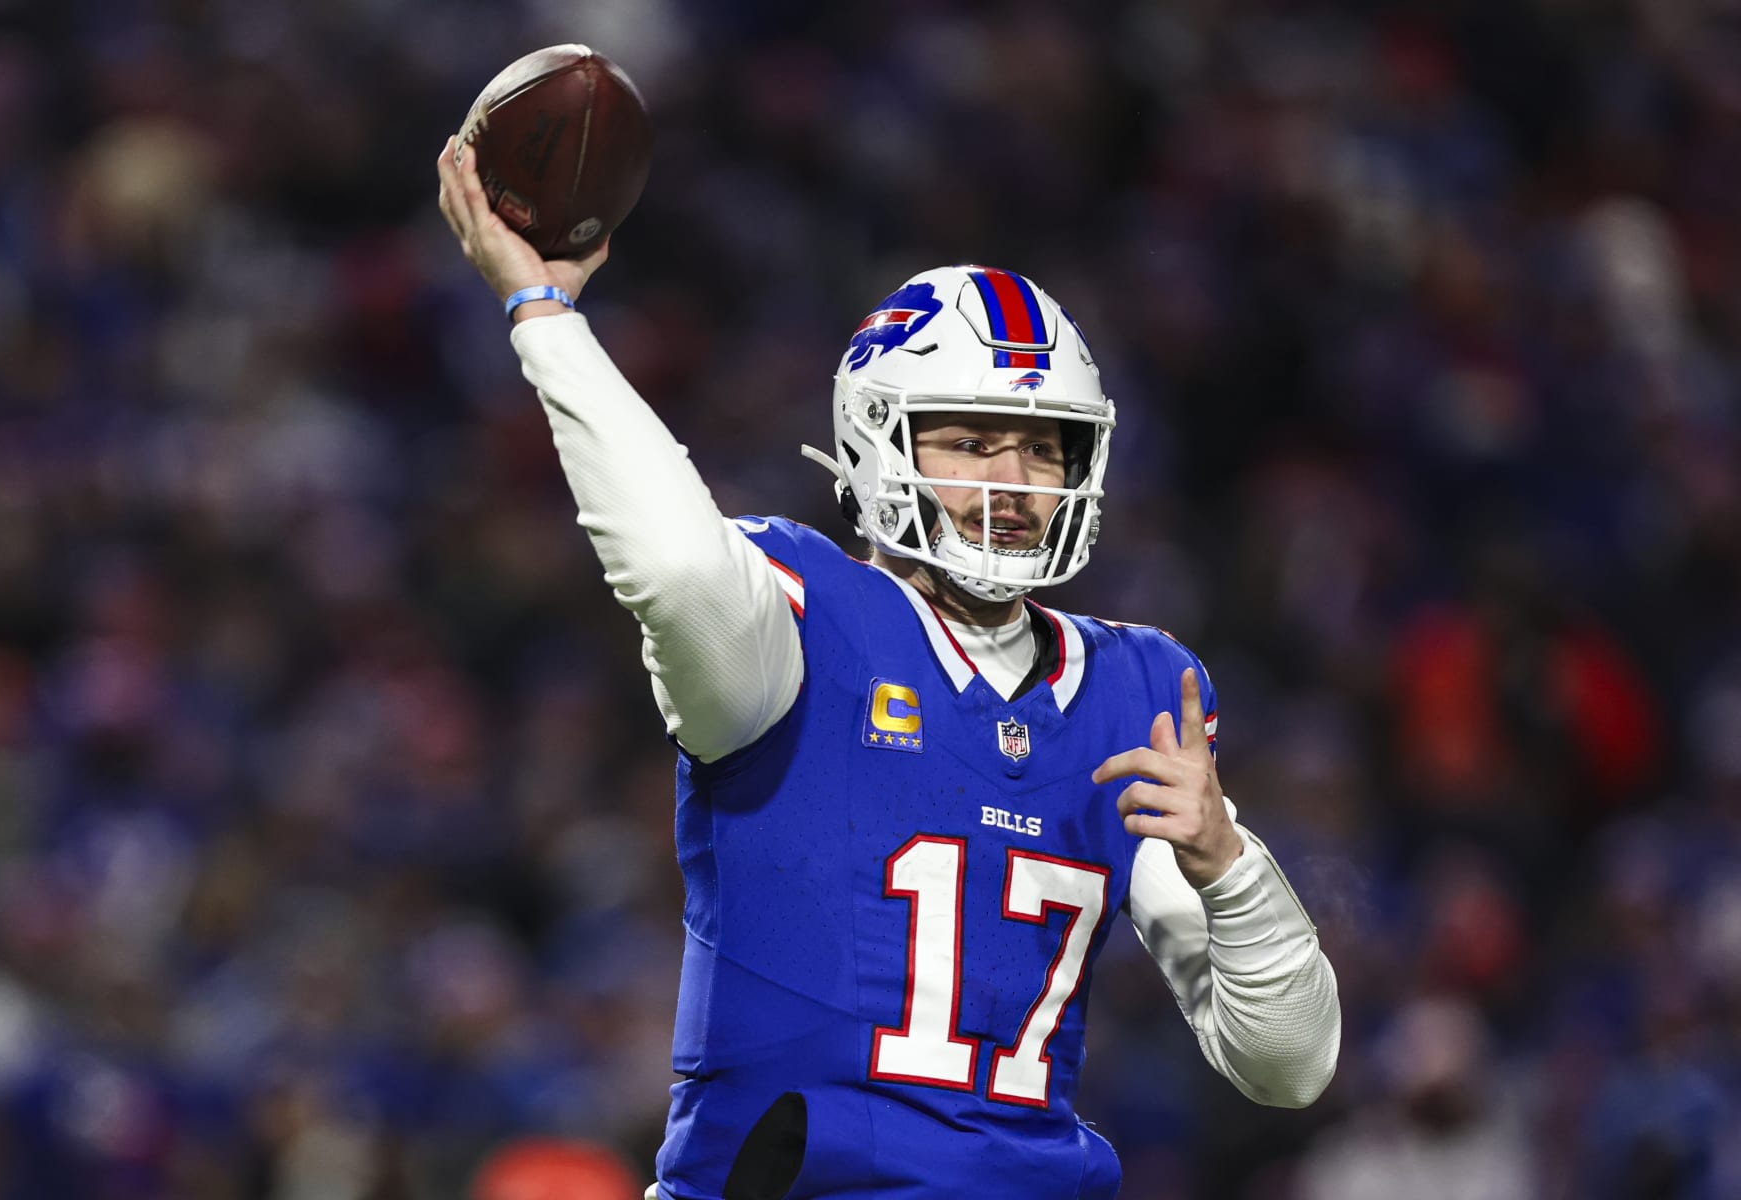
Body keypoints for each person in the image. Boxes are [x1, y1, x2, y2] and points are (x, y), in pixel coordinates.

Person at [437, 137, 1341, 1200]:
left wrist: (1229, 865)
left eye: (1042, 447)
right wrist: (546, 317)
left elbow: (1292, 1064)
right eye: (969, 439)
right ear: (877, 446)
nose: (1012, 480)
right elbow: (678, 563)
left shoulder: (1135, 694)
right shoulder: (802, 619)